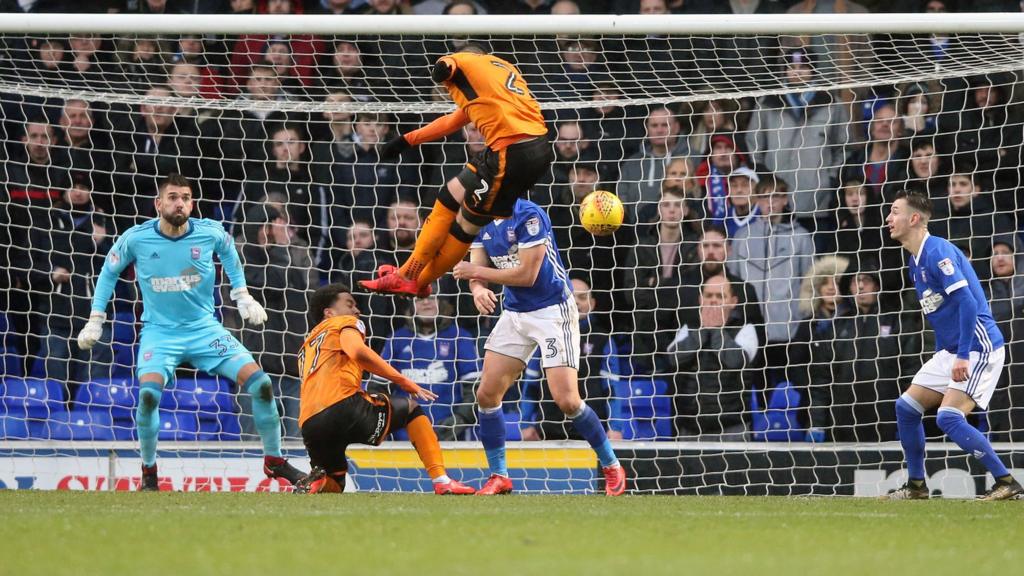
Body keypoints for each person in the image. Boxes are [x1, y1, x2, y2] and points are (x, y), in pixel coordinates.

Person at [75, 174, 304, 491]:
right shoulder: (137, 238)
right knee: (147, 397)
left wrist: (242, 296)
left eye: (184, 196)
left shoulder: (210, 232)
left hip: (205, 331)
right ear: (159, 203)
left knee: (262, 385)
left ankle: (274, 461)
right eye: (172, 196)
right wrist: (96, 319)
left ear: (192, 203)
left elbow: (230, 254)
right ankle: (149, 474)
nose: (179, 202)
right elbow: (108, 272)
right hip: (160, 334)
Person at [452, 198, 626, 496]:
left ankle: (611, 465)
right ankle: (499, 476)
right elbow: (476, 267)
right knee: (486, 394)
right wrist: (478, 289)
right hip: (516, 312)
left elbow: (526, 275)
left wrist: (478, 275)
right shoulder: (480, 218)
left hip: (552, 310)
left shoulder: (528, 214)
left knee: (567, 401)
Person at [360, 43, 553, 298]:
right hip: (522, 146)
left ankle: (412, 279)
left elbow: (447, 65)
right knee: (449, 195)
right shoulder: (496, 71)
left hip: (512, 152)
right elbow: (454, 120)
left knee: (465, 225)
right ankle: (407, 275)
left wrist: (441, 70)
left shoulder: (461, 63)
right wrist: (406, 140)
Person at [882, 190, 1022, 500]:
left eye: (894, 212)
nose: (888, 219)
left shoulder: (937, 253)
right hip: (952, 349)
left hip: (977, 346)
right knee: (906, 408)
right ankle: (917, 487)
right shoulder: (915, 259)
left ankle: (1006, 481)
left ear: (914, 218)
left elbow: (968, 303)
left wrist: (961, 356)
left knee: (948, 417)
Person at [293, 283, 476, 495]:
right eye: (349, 304)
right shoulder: (345, 322)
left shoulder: (307, 345)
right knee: (410, 409)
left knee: (334, 483)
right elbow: (358, 351)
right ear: (329, 312)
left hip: (309, 423)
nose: (356, 310)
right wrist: (404, 382)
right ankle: (441, 480)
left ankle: (298, 477)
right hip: (342, 406)